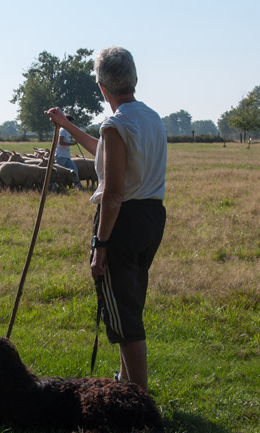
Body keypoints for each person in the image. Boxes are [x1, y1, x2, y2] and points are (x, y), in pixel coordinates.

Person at [45, 46, 167, 392]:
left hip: (123, 221)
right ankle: (126, 382)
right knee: (130, 298)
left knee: (122, 311)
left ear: (102, 87)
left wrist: (100, 246)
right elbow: (104, 154)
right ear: (135, 80)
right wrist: (67, 125)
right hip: (151, 217)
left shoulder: (115, 125)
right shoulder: (150, 118)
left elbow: (113, 194)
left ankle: (137, 400)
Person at [53, 116, 82, 189]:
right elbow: (61, 142)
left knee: (74, 170)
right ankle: (52, 188)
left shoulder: (66, 130)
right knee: (57, 172)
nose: (72, 124)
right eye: (71, 123)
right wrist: (72, 144)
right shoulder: (63, 130)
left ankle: (77, 187)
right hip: (60, 156)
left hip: (66, 156)